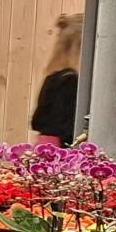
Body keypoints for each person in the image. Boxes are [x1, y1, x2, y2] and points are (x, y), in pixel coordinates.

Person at [32, 11, 83, 145]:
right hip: (65, 152)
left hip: (45, 149)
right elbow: (67, 130)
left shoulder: (52, 78)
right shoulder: (72, 83)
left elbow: (37, 121)